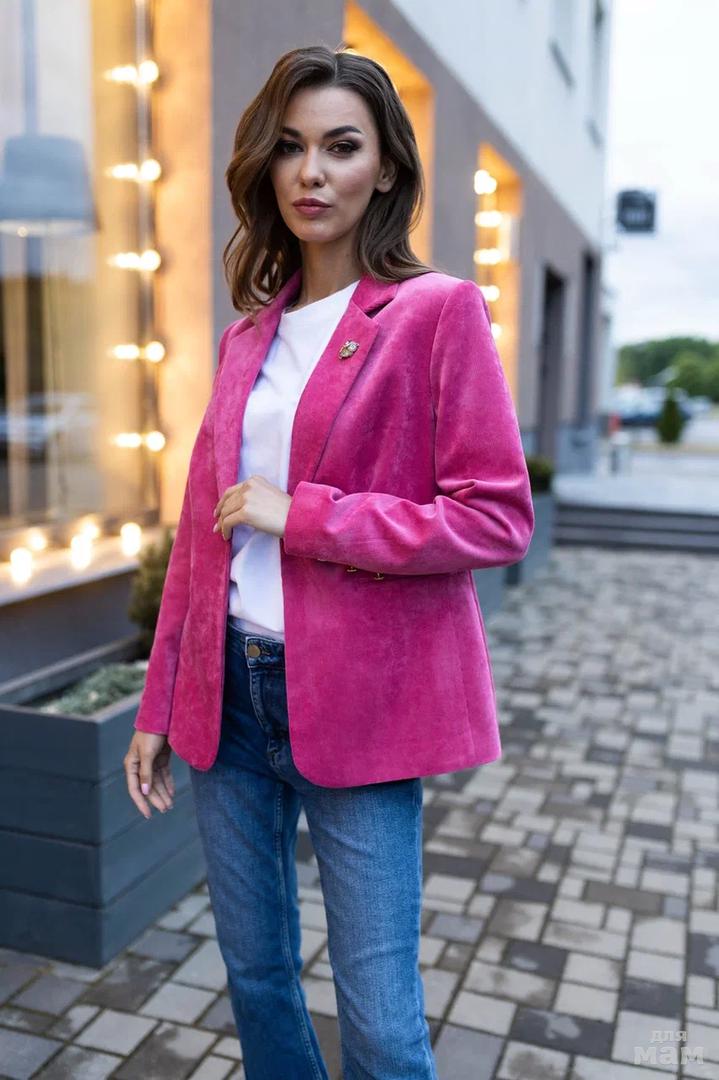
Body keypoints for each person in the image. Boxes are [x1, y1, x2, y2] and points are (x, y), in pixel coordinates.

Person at [124, 43, 534, 1080]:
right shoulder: (246, 340)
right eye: (290, 147)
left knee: (382, 1026)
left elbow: (493, 518)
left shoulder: (435, 313)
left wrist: (305, 516)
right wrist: (160, 702)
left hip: (358, 703)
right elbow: (201, 538)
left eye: (341, 147)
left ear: (384, 168)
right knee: (257, 980)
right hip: (229, 696)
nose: (311, 172)